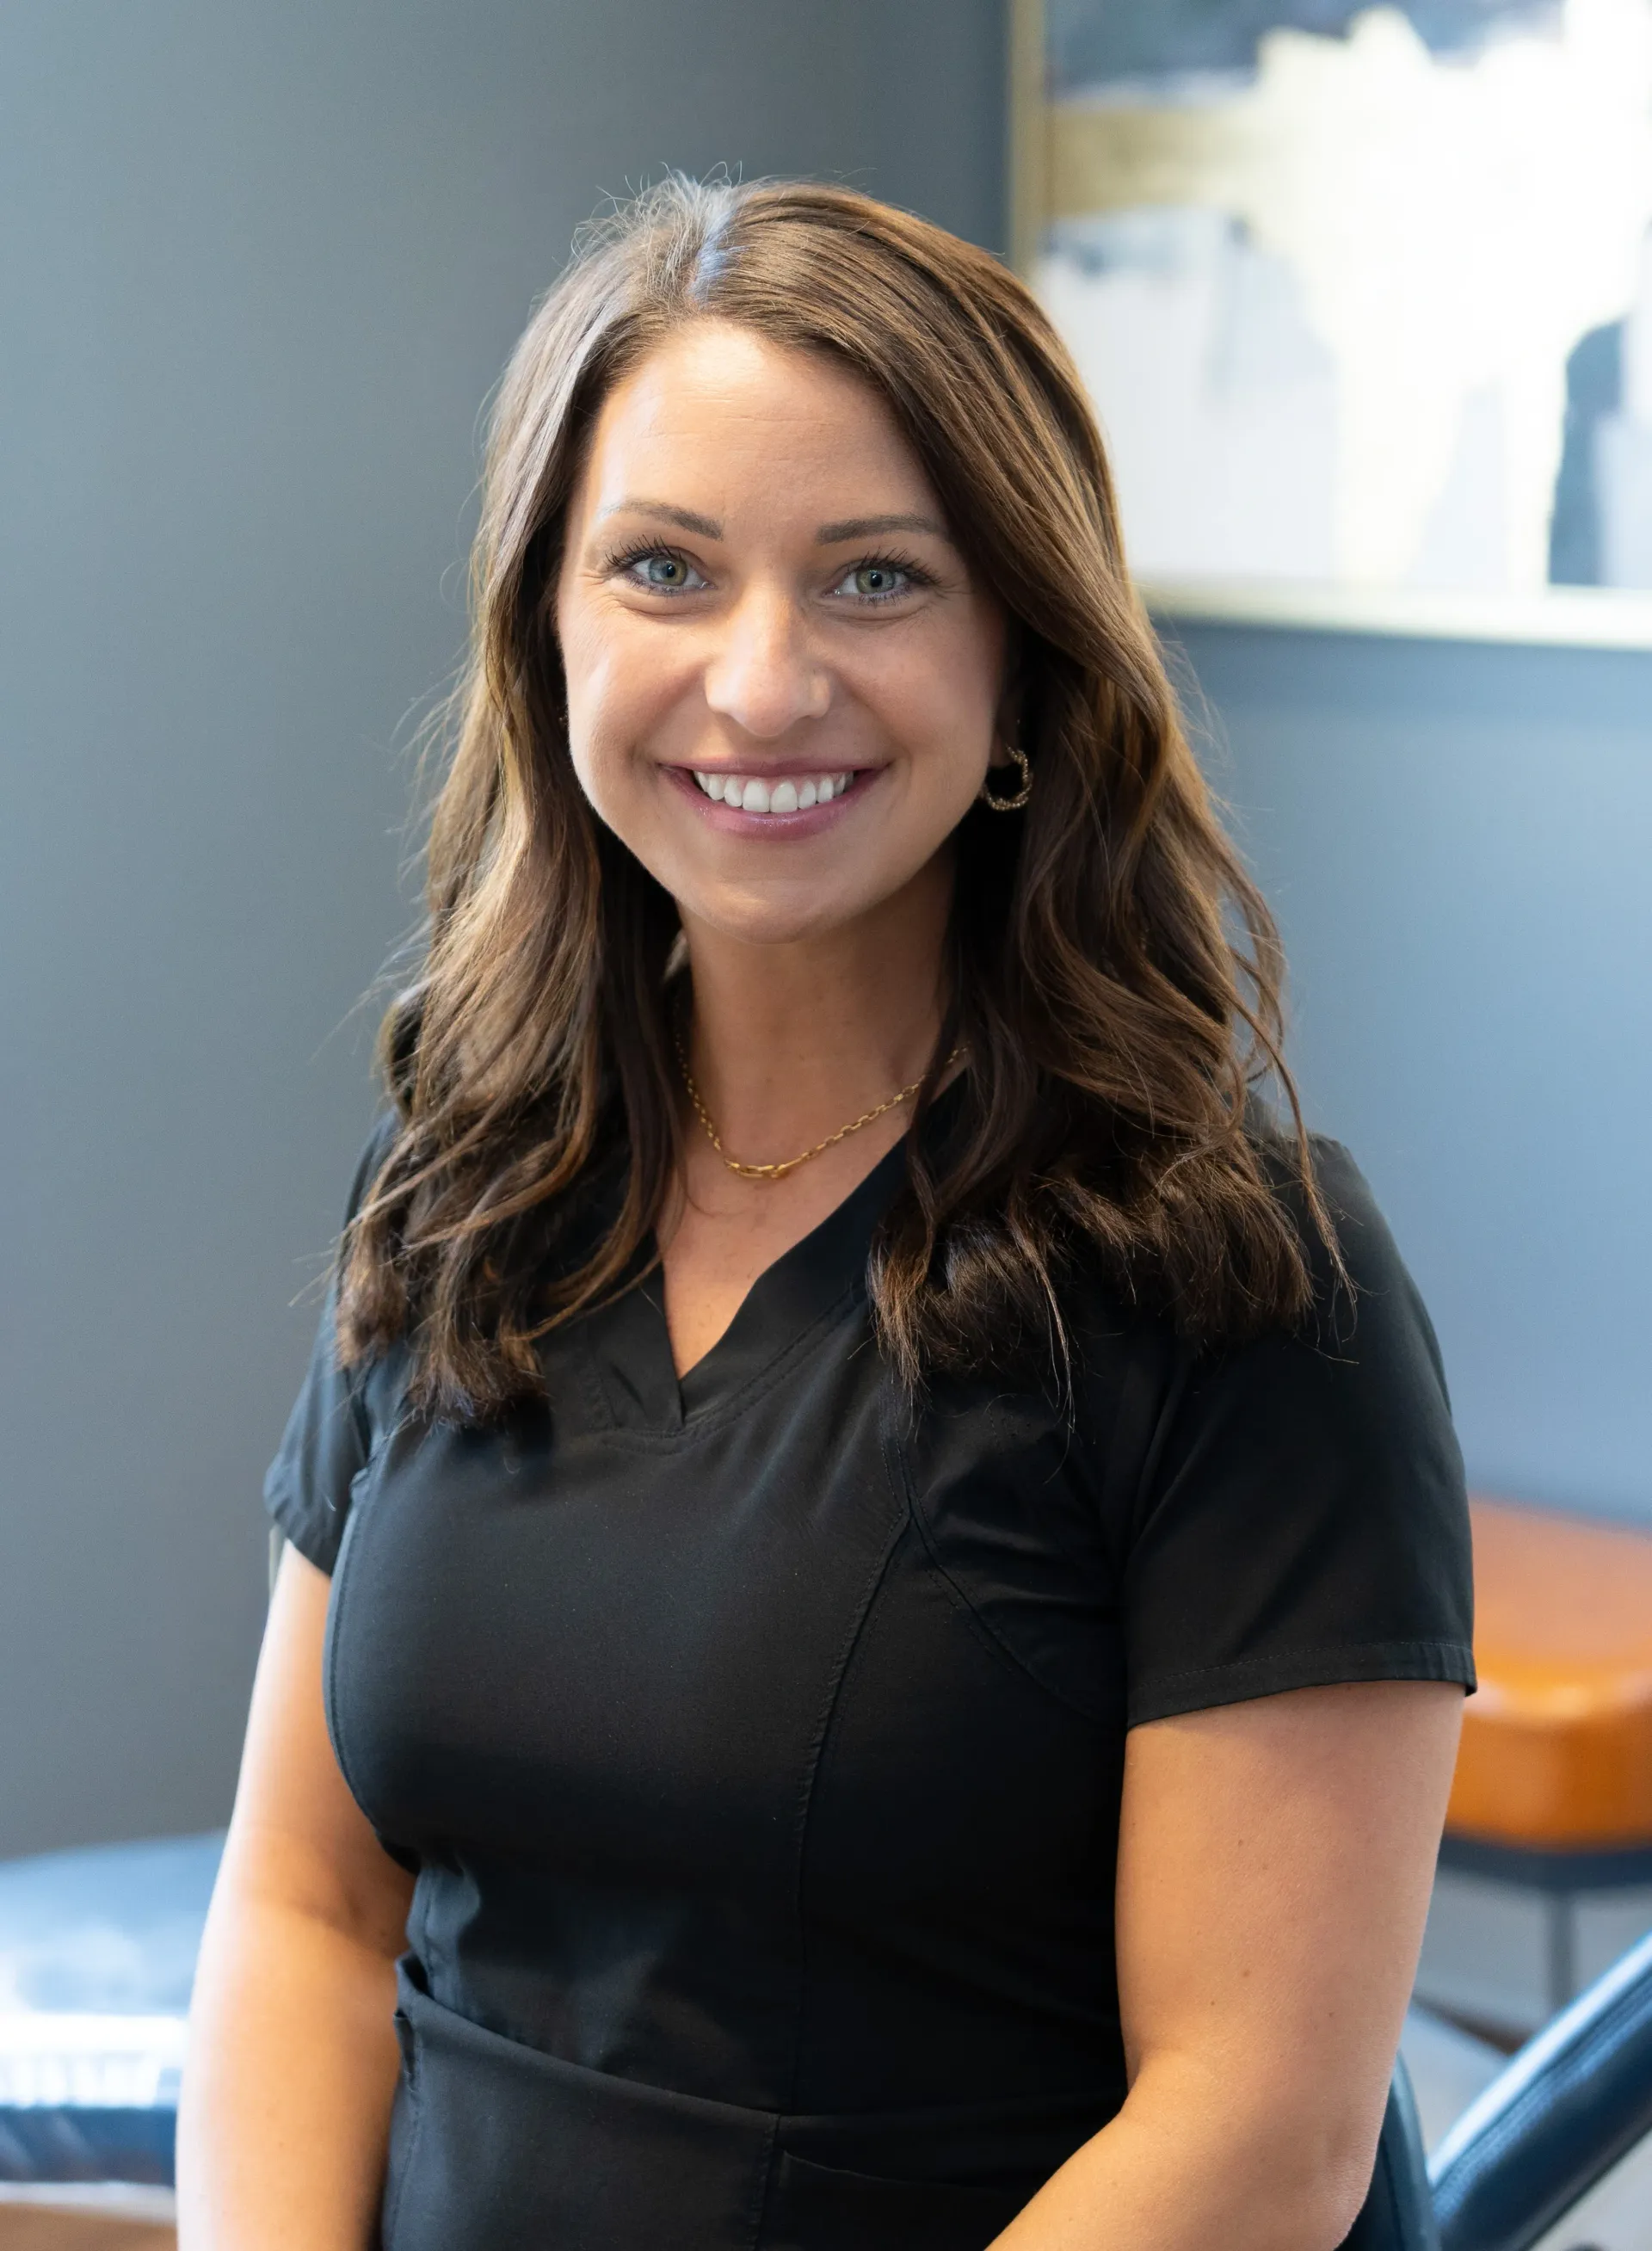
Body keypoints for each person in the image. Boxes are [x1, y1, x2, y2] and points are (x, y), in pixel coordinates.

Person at [176, 177, 1474, 2251]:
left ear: (1023, 651)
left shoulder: (1243, 1286)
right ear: (548, 630)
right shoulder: (460, 1193)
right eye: (665, 570)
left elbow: (1257, 2133)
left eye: (875, 579)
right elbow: (307, 1911)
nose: (763, 683)